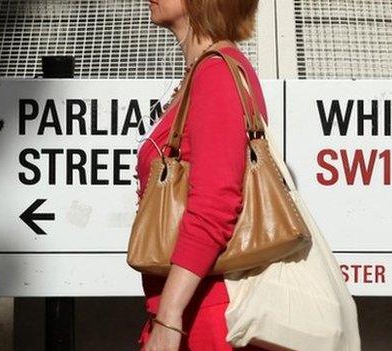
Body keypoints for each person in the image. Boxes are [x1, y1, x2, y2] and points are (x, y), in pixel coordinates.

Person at [134, 0, 268, 350]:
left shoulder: (216, 73)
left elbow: (214, 205)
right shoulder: (205, 73)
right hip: (195, 309)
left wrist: (169, 316)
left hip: (207, 317)